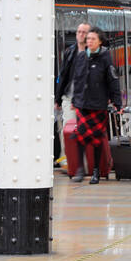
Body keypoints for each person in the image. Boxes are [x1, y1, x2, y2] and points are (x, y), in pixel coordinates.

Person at [55, 28, 120, 184]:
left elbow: (113, 80)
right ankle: (79, 169)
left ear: (99, 42)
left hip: (98, 105)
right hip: (82, 105)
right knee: (80, 135)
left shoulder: (105, 58)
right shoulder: (82, 57)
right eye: (88, 39)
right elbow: (77, 80)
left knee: (96, 139)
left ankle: (96, 171)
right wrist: (75, 101)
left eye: (92, 39)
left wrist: (117, 102)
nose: (89, 41)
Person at [55, 23, 90, 165]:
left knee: (86, 130)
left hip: (87, 100)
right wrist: (58, 98)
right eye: (79, 32)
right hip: (69, 98)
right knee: (68, 129)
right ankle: (69, 160)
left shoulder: (94, 52)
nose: (81, 34)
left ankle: (87, 160)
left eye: (84, 32)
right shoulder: (70, 52)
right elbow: (63, 75)